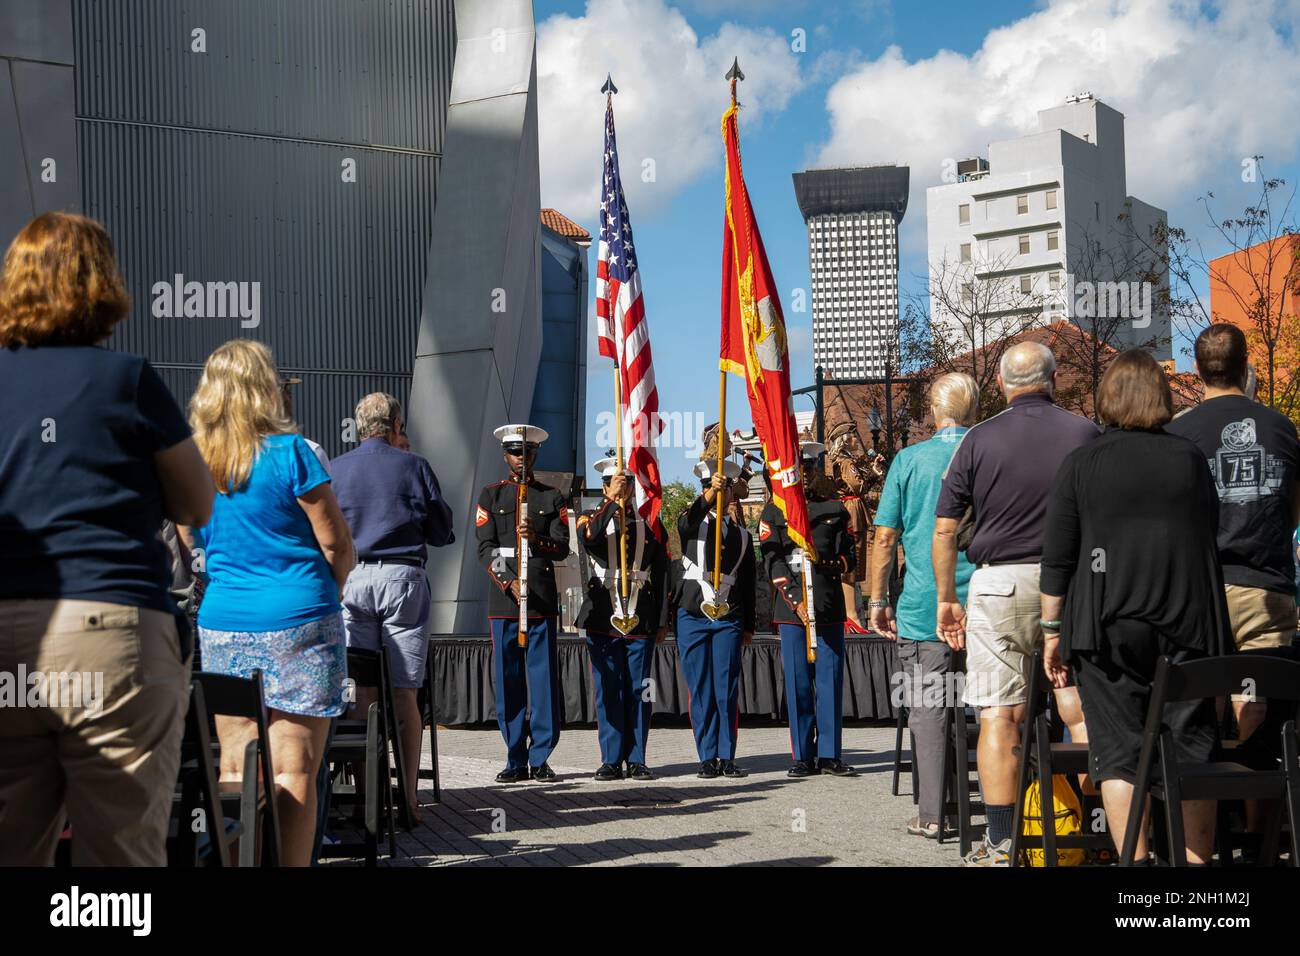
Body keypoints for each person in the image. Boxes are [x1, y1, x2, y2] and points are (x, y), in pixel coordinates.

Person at [0, 212, 214, 866]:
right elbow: (197, 501)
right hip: (112, 633)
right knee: (119, 859)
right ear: (102, 284)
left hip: (8, 637)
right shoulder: (128, 380)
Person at [1041, 349, 1230, 864]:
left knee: (1119, 755)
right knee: (1194, 750)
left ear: (1107, 398)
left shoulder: (1082, 462)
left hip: (1107, 626)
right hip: (1188, 622)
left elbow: (1057, 557)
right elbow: (1208, 534)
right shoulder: (1190, 459)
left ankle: (1135, 865)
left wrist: (1051, 631)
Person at [186, 339, 355, 867]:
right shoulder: (292, 452)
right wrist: (329, 586)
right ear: (265, 389)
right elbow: (336, 544)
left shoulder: (196, 461)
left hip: (224, 624)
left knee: (234, 765)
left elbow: (193, 540)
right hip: (300, 621)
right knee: (294, 768)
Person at [932, 341, 1099, 866]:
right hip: (1071, 582)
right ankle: (1096, 829)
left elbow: (945, 527)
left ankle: (1003, 842)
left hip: (999, 583)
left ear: (1001, 385)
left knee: (999, 714)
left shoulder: (978, 440)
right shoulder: (1086, 433)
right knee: (1078, 704)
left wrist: (945, 598)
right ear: (1053, 380)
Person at [1166, 324, 1300, 746]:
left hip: (1199, 589)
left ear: (1197, 369)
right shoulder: (1282, 429)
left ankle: (1212, 801)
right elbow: (1293, 509)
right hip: (1267, 586)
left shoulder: (1175, 434)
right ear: (1245, 366)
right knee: (1257, 698)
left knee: (1205, 695)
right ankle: (1253, 800)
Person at [331, 393, 455, 822]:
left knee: (362, 691)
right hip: (401, 578)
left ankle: (368, 798)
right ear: (395, 425)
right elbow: (441, 530)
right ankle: (409, 800)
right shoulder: (414, 465)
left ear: (359, 425)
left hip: (353, 579)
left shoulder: (335, 469)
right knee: (405, 691)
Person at [871, 372, 979, 838]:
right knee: (1004, 707)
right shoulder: (987, 452)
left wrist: (877, 598)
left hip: (922, 606)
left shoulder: (908, 460)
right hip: (986, 600)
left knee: (930, 711)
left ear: (934, 411)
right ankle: (1014, 810)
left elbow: (885, 537)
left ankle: (934, 815)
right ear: (974, 410)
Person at [475, 424, 570, 783]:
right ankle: (515, 757)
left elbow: (562, 546)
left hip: (542, 599)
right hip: (505, 601)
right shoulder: (490, 496)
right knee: (509, 679)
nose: (522, 458)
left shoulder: (552, 497)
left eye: (528, 452)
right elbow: (484, 547)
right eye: (516, 452)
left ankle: (541, 756)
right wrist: (508, 580)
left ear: (536, 455)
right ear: (506, 456)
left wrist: (540, 537)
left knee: (543, 682)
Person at [761, 442, 858, 777]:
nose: (802, 473)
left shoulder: (836, 509)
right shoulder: (774, 512)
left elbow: (850, 558)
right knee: (799, 683)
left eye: (807, 467)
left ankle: (830, 754)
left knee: (830, 682)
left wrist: (826, 563)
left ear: (814, 470)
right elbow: (771, 560)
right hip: (792, 612)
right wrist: (796, 600)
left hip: (829, 606)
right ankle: (803, 755)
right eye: (796, 468)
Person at [577, 457, 669, 780]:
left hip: (640, 617)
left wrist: (661, 620)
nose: (623, 488)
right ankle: (611, 758)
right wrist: (610, 503)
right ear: (604, 486)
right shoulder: (592, 517)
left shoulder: (649, 523)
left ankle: (638, 757)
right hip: (604, 617)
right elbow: (589, 539)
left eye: (627, 483)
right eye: (616, 483)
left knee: (641, 690)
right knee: (608, 690)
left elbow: (662, 574)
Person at [675, 459, 756, 778]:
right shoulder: (692, 521)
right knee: (702, 687)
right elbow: (686, 522)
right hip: (694, 612)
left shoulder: (742, 534)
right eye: (712, 488)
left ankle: (727, 755)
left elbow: (748, 581)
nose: (721, 496)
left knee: (726, 688)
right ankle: (707, 756)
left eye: (725, 491)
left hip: (728, 615)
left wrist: (749, 624)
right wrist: (710, 494)